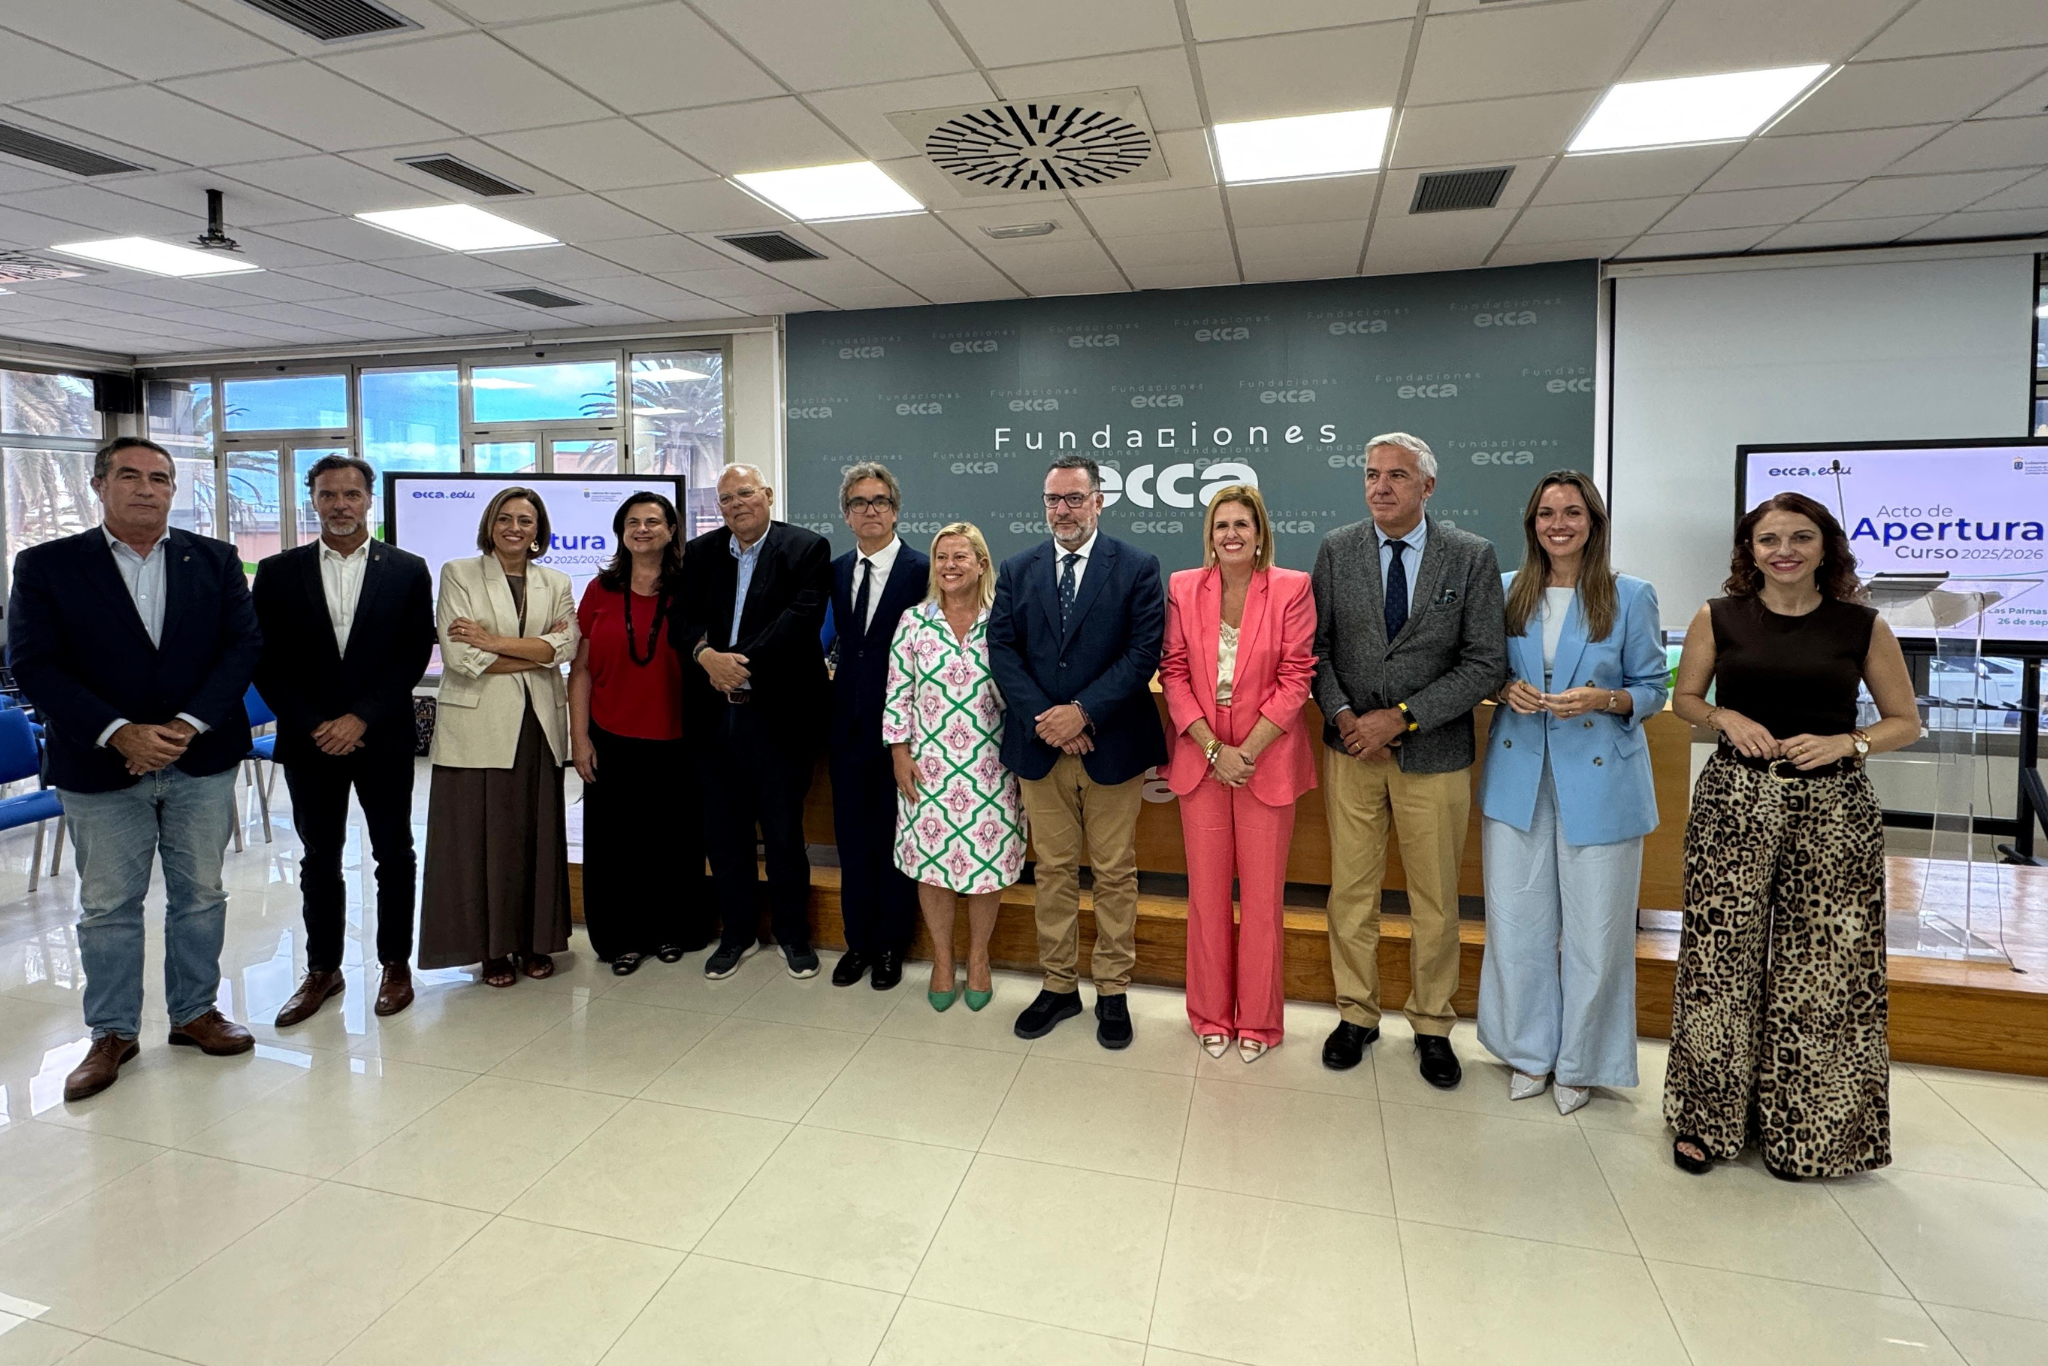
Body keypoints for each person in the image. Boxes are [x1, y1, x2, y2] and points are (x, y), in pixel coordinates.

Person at [1664, 492, 1917, 1179]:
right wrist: (1723, 718)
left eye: (1800, 537)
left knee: (1826, 970)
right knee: (1719, 963)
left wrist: (1849, 743)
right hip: (1734, 802)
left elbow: (1904, 721)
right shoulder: (1717, 616)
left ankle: (1811, 1133)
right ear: (1749, 551)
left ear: (1825, 546)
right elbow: (1685, 699)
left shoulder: (1862, 625)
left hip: (1833, 809)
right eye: (1769, 539)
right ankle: (1708, 1120)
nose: (1784, 551)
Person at [8, 436, 261, 1100]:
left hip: (198, 757)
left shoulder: (215, 560)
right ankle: (112, 1032)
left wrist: (188, 724)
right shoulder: (46, 566)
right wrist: (119, 732)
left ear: (174, 489)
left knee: (201, 894)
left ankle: (195, 1012)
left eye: (160, 478)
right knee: (108, 906)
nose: (146, 488)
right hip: (99, 763)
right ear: (100, 486)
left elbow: (242, 648)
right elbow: (34, 663)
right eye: (129, 476)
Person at [1311, 432, 1506, 1088]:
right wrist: (1345, 716)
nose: (1381, 486)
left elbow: (1485, 662)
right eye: (1372, 474)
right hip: (1352, 752)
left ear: (1428, 486)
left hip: (1435, 753)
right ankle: (1356, 1014)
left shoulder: (1470, 555)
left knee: (1435, 899)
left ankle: (1432, 1024)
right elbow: (1318, 649)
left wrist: (1402, 717)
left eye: (1396, 475)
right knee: (1351, 892)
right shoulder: (1337, 549)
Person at [1474, 472, 1666, 1115]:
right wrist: (1503, 689)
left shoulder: (1630, 594)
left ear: (1594, 522)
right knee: (1517, 923)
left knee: (1598, 931)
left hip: (1602, 779)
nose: (1559, 524)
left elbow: (1653, 688)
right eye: (1547, 513)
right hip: (1519, 774)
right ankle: (1528, 1051)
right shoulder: (1506, 590)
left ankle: (1584, 1062)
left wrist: (1605, 699)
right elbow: (1483, 669)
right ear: (1532, 523)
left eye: (1573, 512)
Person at [987, 453, 1166, 1049]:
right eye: (1052, 499)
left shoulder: (1137, 566)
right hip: (1041, 747)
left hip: (1112, 746)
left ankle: (1112, 990)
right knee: (1054, 871)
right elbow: (1002, 651)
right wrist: (1050, 721)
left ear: (1098, 501)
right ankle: (1059, 985)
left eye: (1073, 498)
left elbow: (1143, 653)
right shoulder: (1018, 569)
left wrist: (1083, 712)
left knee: (1114, 872)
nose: (1062, 510)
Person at [255, 454, 435, 1026]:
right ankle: (322, 969)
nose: (340, 505)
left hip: (381, 736)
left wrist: (361, 717)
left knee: (394, 853)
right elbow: (266, 660)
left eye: (351, 494)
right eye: (328, 495)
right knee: (319, 857)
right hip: (310, 740)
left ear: (368, 500)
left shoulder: (407, 569)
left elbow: (412, 652)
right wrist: (316, 723)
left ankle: (395, 964)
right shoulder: (277, 572)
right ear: (312, 500)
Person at [1159, 486, 1317, 1063]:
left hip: (1264, 761)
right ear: (1209, 535)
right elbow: (1173, 672)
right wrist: (1212, 749)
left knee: (1262, 900)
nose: (1231, 534)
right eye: (1221, 525)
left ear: (1259, 533)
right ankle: (1208, 1014)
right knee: (1205, 897)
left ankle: (1259, 1021)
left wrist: (1243, 752)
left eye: (1241, 525)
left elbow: (1297, 677)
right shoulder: (1183, 587)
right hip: (1202, 762)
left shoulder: (1292, 588)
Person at [417, 487, 578, 988]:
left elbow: (566, 647)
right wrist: (535, 652)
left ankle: (533, 940)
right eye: (505, 518)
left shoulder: (556, 581)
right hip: (477, 726)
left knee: (534, 837)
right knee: (479, 842)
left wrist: (494, 641)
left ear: (538, 530)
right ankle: (489, 949)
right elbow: (463, 657)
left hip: (538, 727)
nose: (515, 528)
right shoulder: (459, 573)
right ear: (490, 524)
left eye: (526, 521)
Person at [678, 463, 831, 981]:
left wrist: (736, 664)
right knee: (725, 836)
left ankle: (792, 934)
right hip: (714, 719)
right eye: (725, 499)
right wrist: (706, 656)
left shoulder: (806, 548)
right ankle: (737, 934)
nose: (736, 505)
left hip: (780, 718)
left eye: (745, 493)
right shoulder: (700, 553)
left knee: (784, 834)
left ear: (767, 494)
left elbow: (800, 619)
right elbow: (683, 618)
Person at [883, 522, 1025, 1011]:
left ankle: (979, 958)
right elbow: (897, 693)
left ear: (982, 564)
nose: (949, 566)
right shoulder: (913, 622)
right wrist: (899, 753)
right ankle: (942, 960)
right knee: (931, 867)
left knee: (988, 867)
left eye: (961, 556)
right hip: (929, 768)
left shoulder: (1003, 620)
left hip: (993, 767)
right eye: (941, 557)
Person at [569, 491, 692, 975]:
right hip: (610, 735)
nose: (643, 529)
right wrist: (580, 738)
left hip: (677, 736)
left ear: (671, 530)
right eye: (633, 522)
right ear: (622, 532)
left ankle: (670, 929)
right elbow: (580, 669)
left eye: (653, 521)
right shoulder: (600, 589)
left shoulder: (690, 586)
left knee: (670, 840)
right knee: (615, 845)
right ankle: (620, 938)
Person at [824, 461, 927, 991]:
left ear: (896, 510)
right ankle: (857, 942)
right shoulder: (835, 570)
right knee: (852, 841)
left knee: (896, 841)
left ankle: (890, 945)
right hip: (846, 727)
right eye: (859, 502)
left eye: (880, 501)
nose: (871, 510)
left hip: (904, 733)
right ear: (846, 514)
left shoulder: (924, 570)